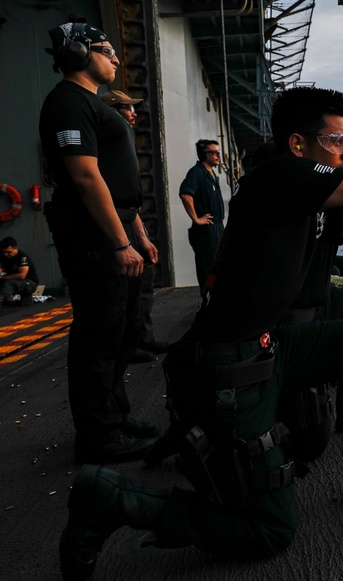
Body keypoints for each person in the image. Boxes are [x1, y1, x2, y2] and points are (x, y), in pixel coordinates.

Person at [59, 86, 343, 579]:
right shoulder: (277, 177)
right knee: (268, 532)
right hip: (226, 369)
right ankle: (111, 496)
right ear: (299, 145)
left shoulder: (312, 197)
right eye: (338, 139)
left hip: (264, 351)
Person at [39, 21, 160, 466]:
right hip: (93, 237)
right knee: (98, 337)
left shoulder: (89, 103)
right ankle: (98, 437)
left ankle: (116, 418)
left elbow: (116, 182)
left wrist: (137, 234)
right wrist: (116, 242)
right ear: (78, 53)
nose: (116, 58)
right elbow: (86, 177)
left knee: (122, 332)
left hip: (117, 229)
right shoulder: (68, 103)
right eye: (107, 50)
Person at [100, 90, 169, 362]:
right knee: (123, 290)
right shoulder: (108, 145)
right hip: (116, 225)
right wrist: (123, 241)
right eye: (129, 108)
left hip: (129, 221)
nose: (134, 113)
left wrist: (142, 237)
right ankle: (125, 348)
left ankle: (142, 340)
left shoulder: (124, 143)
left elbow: (130, 200)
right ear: (114, 111)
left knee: (142, 285)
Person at [179, 139, 225, 292]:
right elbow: (186, 194)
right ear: (205, 155)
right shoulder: (197, 173)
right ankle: (208, 298)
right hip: (207, 231)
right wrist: (196, 219)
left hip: (217, 228)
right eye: (215, 153)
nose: (219, 156)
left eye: (219, 152)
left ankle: (216, 298)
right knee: (209, 268)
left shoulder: (211, 175)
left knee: (219, 267)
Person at [0, 237, 40, 306]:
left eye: (9, 252)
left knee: (9, 284)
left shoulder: (22, 257)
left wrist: (3, 277)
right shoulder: (4, 257)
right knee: (26, 306)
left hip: (30, 282)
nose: (6, 254)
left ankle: (4, 300)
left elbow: (22, 275)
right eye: (4, 252)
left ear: (15, 248)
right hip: (16, 281)